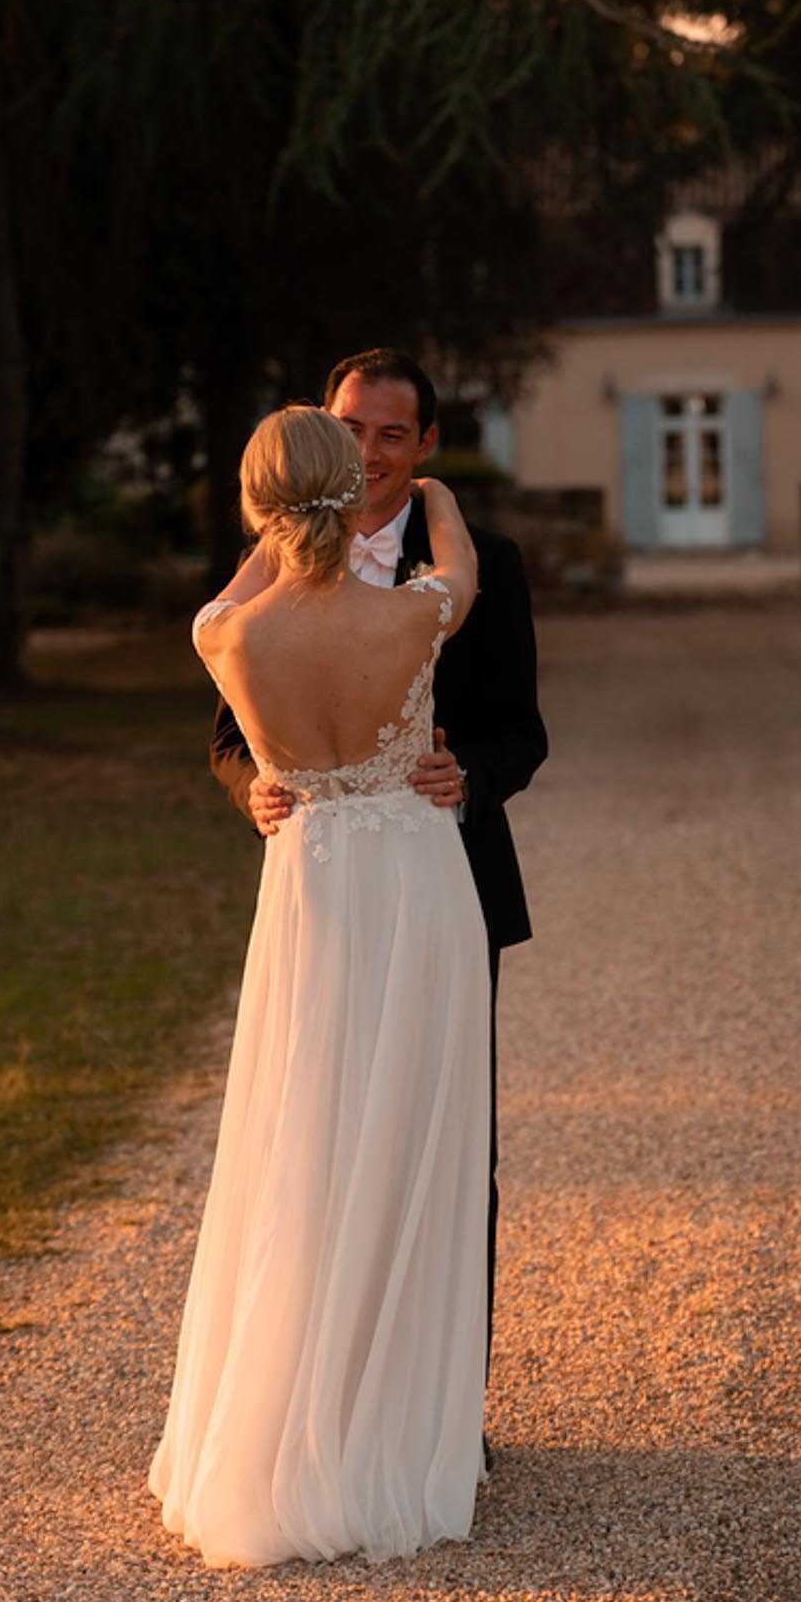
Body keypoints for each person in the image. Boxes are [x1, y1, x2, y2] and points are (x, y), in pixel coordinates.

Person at [148, 405, 491, 1567]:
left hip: (311, 890)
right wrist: (433, 492)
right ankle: (386, 1424)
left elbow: (248, 576)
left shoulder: (224, 635)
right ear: (357, 497)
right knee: (403, 1141)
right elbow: (462, 570)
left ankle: (292, 1417)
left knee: (305, 1135)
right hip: (416, 882)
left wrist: (281, 524)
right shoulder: (413, 615)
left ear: (254, 509)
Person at [208, 349, 547, 1421]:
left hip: (444, 874)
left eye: (392, 434)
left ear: (426, 444)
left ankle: (444, 1410)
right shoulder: (409, 582)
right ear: (327, 433)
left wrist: (472, 774)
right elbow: (229, 740)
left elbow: (523, 730)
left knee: (444, 1145)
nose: (369, 452)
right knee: (314, 1134)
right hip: (339, 872)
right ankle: (330, 1397)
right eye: (348, 429)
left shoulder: (485, 565)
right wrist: (252, 789)